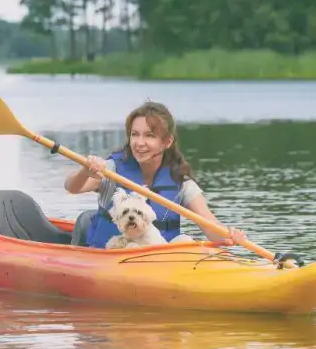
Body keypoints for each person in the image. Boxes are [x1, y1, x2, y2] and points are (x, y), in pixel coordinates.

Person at [64, 101, 248, 248]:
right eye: (135, 134)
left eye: (149, 135)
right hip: (111, 257)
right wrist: (84, 171)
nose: (139, 143)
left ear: (167, 142)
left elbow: (210, 227)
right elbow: (72, 187)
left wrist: (230, 235)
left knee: (185, 241)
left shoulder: (180, 182)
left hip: (156, 261)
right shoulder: (111, 169)